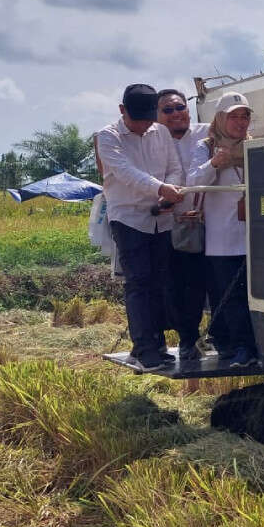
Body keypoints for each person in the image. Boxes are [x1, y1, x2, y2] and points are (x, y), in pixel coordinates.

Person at [95, 83, 183, 371]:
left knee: (160, 281)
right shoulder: (108, 138)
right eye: (139, 121)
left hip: (162, 217)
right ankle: (144, 347)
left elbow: (174, 167)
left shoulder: (161, 132)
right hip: (129, 217)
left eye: (149, 120)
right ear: (122, 111)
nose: (145, 127)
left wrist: (169, 192)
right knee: (139, 281)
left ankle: (156, 345)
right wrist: (161, 188)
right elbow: (125, 173)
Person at [187, 91, 258, 367]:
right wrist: (215, 163)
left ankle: (246, 347)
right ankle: (231, 346)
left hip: (253, 236)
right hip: (220, 237)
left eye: (245, 116)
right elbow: (192, 181)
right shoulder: (206, 147)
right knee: (226, 296)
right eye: (234, 117)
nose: (240, 123)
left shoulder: (256, 147)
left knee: (246, 295)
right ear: (219, 119)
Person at [156, 88, 208, 362]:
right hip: (166, 224)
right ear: (157, 116)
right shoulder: (151, 143)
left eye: (180, 107)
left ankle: (198, 339)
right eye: (168, 110)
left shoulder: (206, 132)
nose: (176, 114)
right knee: (172, 286)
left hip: (205, 224)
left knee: (200, 285)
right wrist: (171, 212)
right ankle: (185, 340)